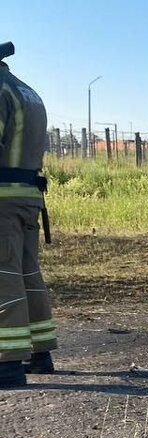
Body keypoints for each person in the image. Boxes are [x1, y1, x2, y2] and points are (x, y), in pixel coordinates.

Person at [0, 41, 57, 389]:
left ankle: (6, 363)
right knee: (27, 272)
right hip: (28, 197)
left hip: (2, 200)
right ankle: (40, 352)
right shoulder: (27, 90)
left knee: (2, 276)